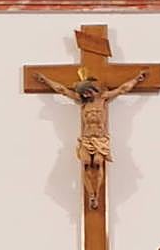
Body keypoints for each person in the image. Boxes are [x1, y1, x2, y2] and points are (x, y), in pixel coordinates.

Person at [34, 69, 148, 209]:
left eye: (89, 91)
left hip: (100, 139)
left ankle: (97, 192)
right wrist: (45, 79)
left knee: (99, 163)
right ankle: (91, 195)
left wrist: (137, 79)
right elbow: (61, 89)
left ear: (93, 89)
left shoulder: (103, 98)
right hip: (86, 139)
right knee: (86, 163)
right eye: (84, 93)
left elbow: (123, 89)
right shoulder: (82, 102)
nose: (87, 94)